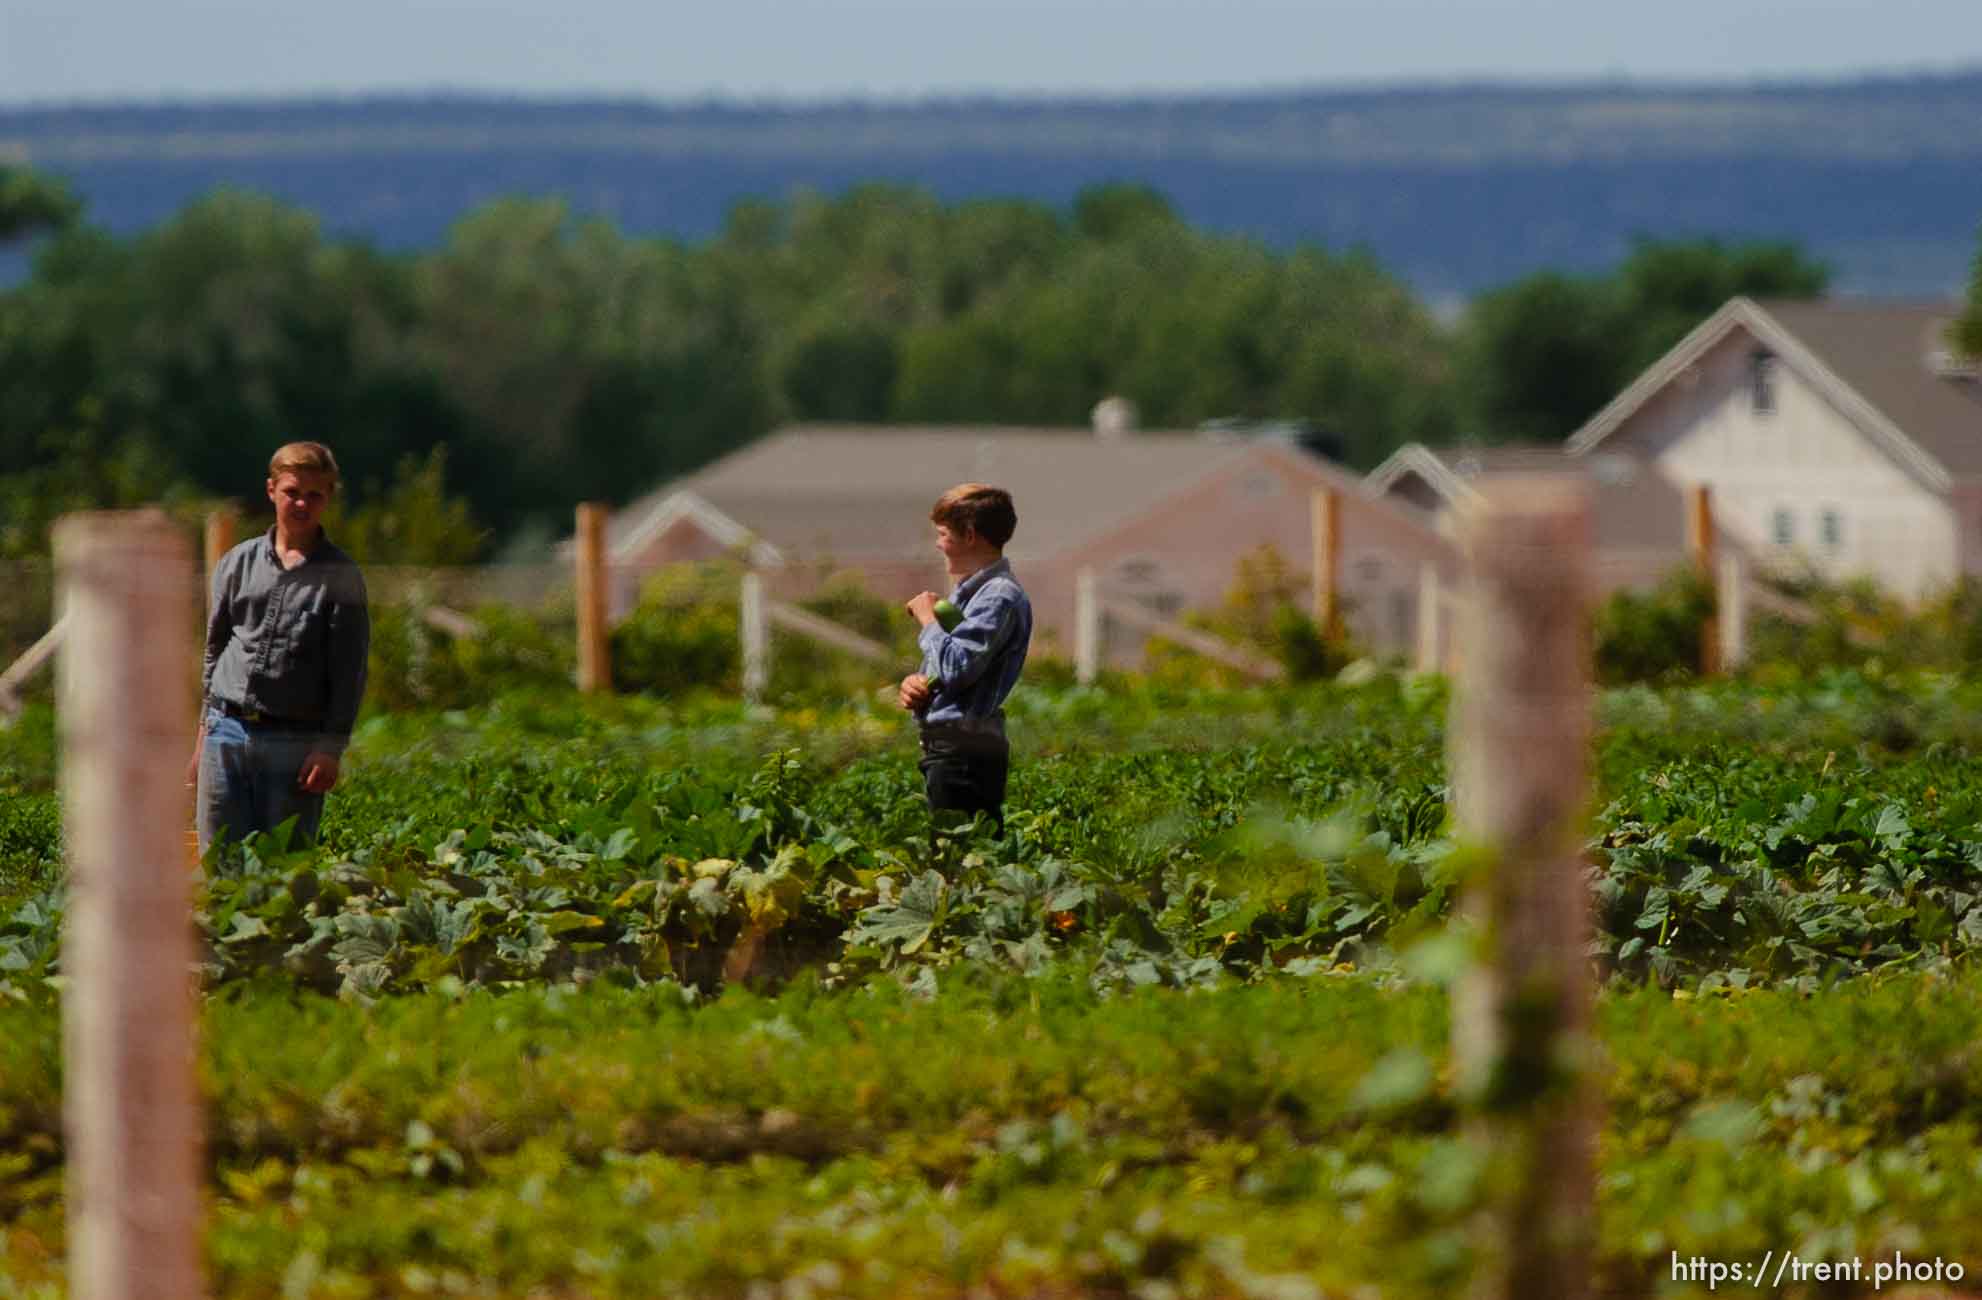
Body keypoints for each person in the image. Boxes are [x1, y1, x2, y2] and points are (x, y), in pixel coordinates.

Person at [191, 442, 370, 852]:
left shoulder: (341, 577)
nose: (302, 503)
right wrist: (203, 736)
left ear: (328, 498)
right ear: (271, 490)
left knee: (284, 873)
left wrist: (330, 749)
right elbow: (214, 650)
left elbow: (350, 672)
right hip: (226, 731)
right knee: (220, 862)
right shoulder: (237, 563)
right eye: (292, 491)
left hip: (294, 742)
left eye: (314, 494)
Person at [898, 483, 1032, 839]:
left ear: (969, 535)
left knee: (964, 864)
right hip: (950, 748)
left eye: (943, 534)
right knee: (960, 862)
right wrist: (917, 684)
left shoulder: (998, 596)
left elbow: (958, 667)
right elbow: (951, 669)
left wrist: (928, 618)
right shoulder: (970, 595)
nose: (938, 543)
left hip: (966, 754)